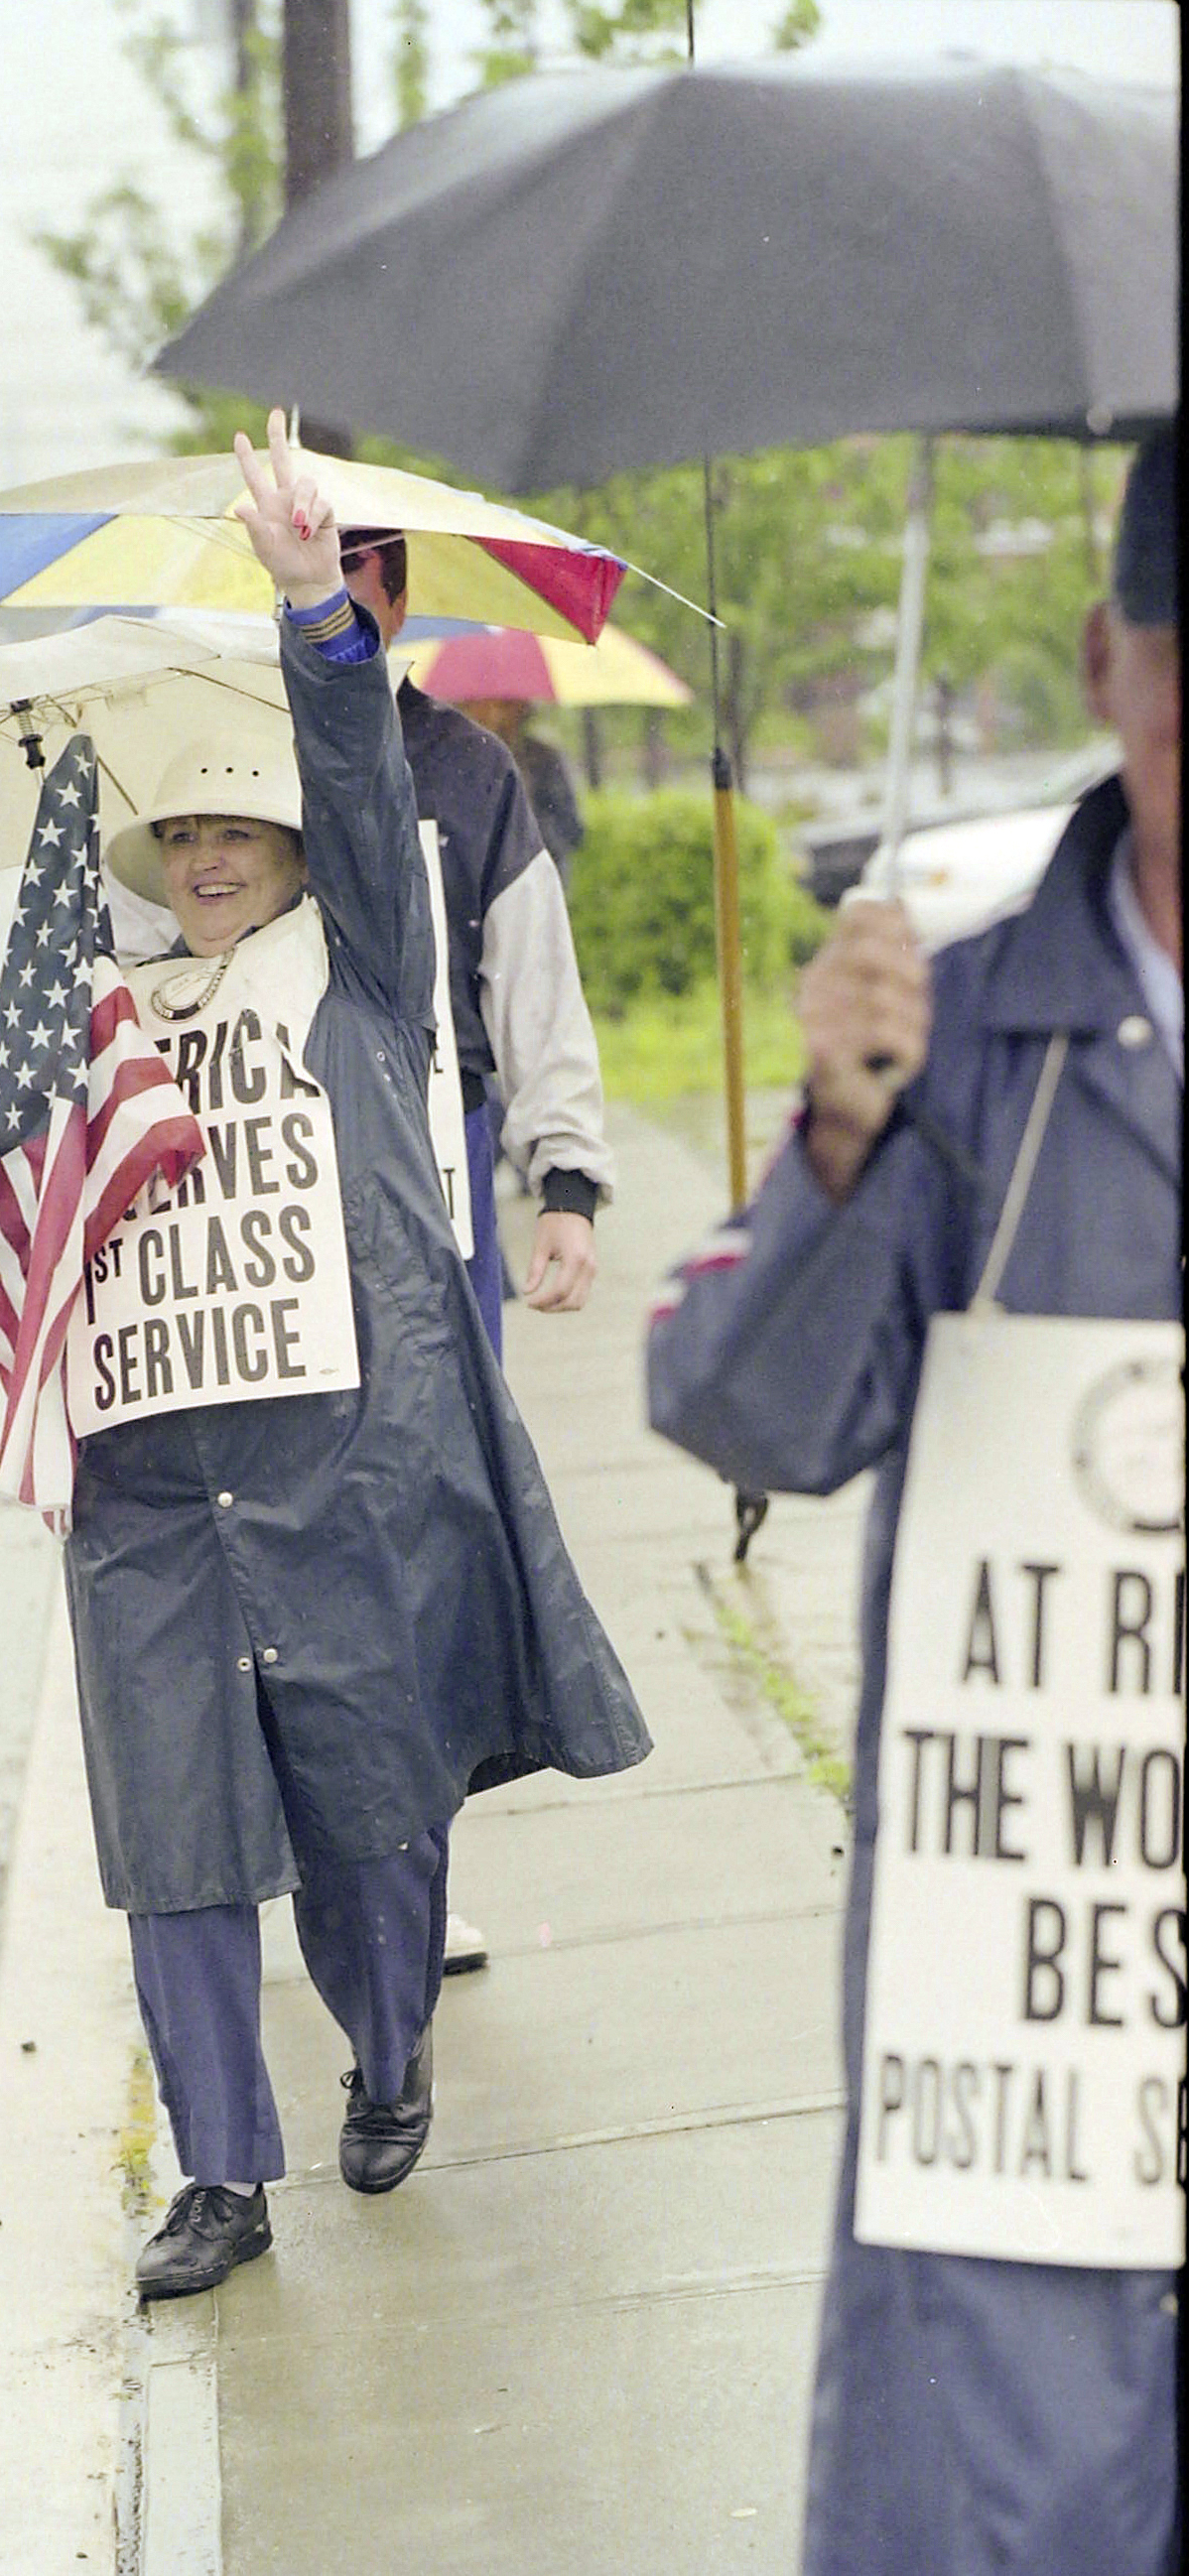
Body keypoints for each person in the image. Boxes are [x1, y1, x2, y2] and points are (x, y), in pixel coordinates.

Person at [645, 424, 1180, 2574]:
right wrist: (833, 1147)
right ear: (1104, 659)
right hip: (1028, 2025)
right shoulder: (946, 1047)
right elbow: (742, 1411)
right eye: (1180, 663)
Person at [66, 413, 650, 2302]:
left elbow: (350, 755)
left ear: (298, 844)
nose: (207, 859)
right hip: (157, 1488)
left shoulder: (367, 963)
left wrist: (318, 609)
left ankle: (387, 2050)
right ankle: (218, 2175)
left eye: (236, 830)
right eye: (182, 835)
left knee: (367, 1807)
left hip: (337, 1461)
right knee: (173, 1835)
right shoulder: (111, 1006)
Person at [341, 534, 614, 1974]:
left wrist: (563, 1181)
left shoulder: (466, 772)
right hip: (270, 1209)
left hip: (439, 1189)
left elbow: (534, 986)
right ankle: (321, 1871)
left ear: (395, 593)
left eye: (340, 573)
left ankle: (416, 1875)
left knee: (434, 1539)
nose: (312, 599)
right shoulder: (213, 769)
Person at [454, 693, 587, 890]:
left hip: (535, 883)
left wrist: (522, 804)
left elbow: (571, 829)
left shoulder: (545, 758)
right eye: (483, 704)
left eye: (505, 705)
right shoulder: (456, 760)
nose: (495, 713)